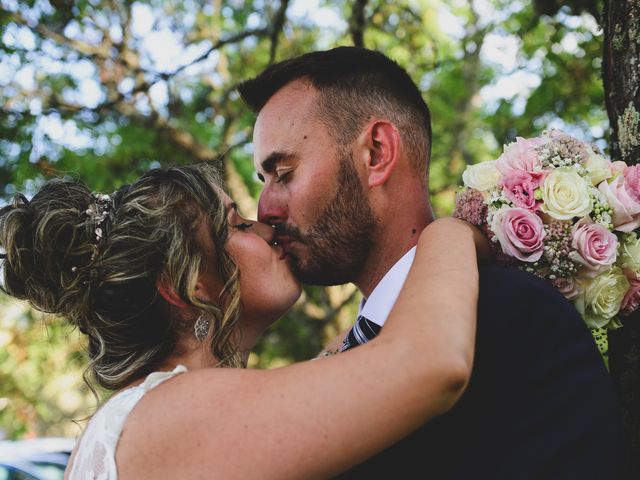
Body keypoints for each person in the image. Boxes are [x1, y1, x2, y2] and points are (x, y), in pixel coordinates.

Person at [238, 46, 625, 478]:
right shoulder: (339, 360)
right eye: (264, 180)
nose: (265, 210)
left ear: (377, 153)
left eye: (284, 173)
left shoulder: (510, 314)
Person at [0, 162, 486, 479]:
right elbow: (430, 363)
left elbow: (352, 353)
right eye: (235, 225)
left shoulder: (155, 414)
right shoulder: (172, 411)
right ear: (188, 284)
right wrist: (450, 231)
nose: (266, 225)